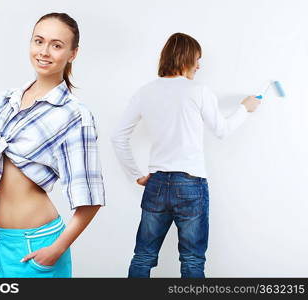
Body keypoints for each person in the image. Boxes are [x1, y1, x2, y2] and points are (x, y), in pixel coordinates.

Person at [0, 12, 105, 278]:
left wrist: (55, 250)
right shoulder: (5, 101)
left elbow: (90, 199)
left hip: (37, 245)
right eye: (39, 41)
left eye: (56, 45)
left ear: (73, 54)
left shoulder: (73, 114)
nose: (44, 52)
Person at [110, 32, 260, 278]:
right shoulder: (198, 90)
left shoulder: (145, 91)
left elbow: (117, 137)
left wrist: (136, 175)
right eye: (197, 59)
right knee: (192, 260)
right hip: (191, 184)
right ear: (186, 58)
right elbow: (222, 131)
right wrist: (245, 108)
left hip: (156, 183)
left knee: (143, 256)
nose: (199, 66)